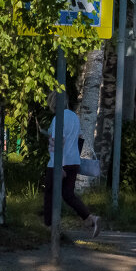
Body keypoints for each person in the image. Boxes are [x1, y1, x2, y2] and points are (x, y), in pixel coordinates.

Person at [44, 91, 100, 237]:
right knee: (68, 194)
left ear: (53, 103)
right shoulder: (74, 116)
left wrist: (59, 166)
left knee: (49, 193)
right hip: (73, 161)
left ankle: (50, 227)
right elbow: (80, 137)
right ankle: (89, 218)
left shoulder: (58, 119)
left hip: (58, 163)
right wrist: (75, 156)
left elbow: (58, 143)